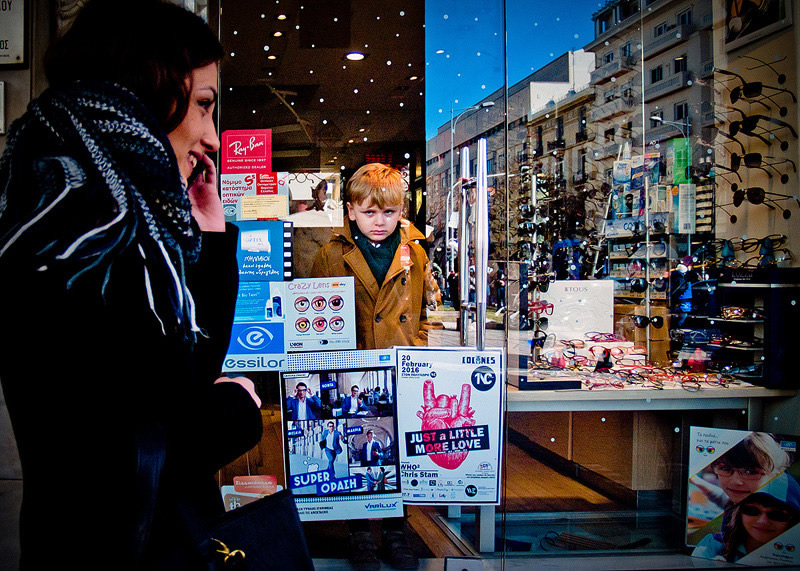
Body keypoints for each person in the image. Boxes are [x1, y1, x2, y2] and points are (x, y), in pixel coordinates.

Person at [0, 1, 264, 568]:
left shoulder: (115, 223)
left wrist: (211, 238)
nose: (213, 137)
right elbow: (122, 455)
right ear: (148, 94)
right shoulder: (79, 236)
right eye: (203, 106)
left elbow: (183, 382)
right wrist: (237, 410)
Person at [311, 162, 426, 570]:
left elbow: (424, 309)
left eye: (389, 212)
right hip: (351, 362)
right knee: (357, 446)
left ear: (402, 211)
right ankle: (358, 532)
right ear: (351, 210)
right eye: (369, 212)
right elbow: (315, 314)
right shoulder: (331, 254)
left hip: (400, 364)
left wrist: (417, 347)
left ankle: (397, 531)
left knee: (397, 452)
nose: (380, 222)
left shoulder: (415, 253)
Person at [692, 472, 800, 562]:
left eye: (777, 515)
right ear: (738, 513)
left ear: (793, 519)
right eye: (751, 511)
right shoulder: (714, 545)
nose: (762, 521)